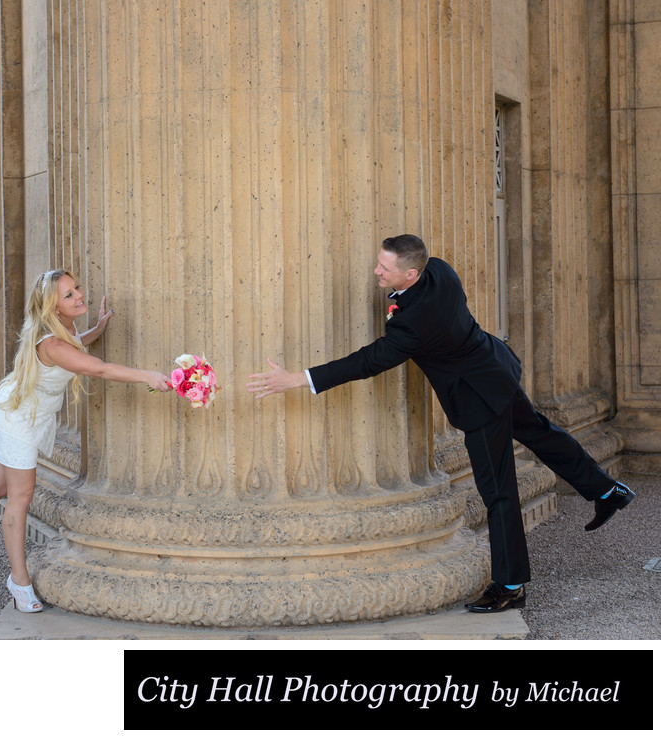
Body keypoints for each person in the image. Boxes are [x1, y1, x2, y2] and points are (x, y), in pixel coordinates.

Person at [246, 234, 635, 613]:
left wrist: (299, 378)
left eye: (384, 267)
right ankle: (606, 491)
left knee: (498, 491)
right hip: (496, 369)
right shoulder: (442, 272)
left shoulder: (413, 324)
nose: (376, 272)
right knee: (540, 432)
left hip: (478, 399)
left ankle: (510, 586)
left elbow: (366, 361)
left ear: (412, 274)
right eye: (379, 262)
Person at [0, 269, 172, 612]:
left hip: (15, 411)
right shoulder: (53, 342)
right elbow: (95, 368)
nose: (79, 295)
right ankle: (19, 582)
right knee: (19, 497)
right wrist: (149, 377)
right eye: (68, 295)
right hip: (18, 421)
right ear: (54, 308)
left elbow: (78, 346)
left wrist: (97, 328)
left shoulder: (61, 331)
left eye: (76, 288)